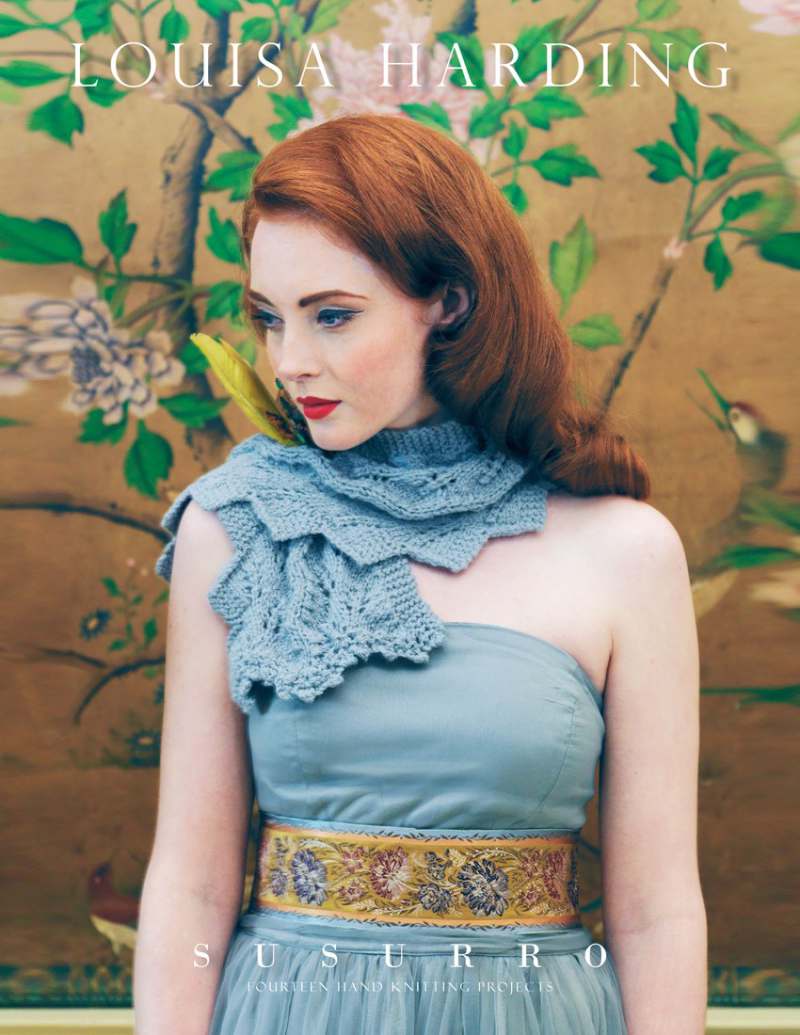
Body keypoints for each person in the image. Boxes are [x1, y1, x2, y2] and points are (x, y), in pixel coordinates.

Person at [132, 113, 707, 1034]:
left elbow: (656, 910)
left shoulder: (626, 550)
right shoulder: (234, 526)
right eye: (270, 318)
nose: (290, 363)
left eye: (332, 315)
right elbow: (191, 886)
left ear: (450, 301)